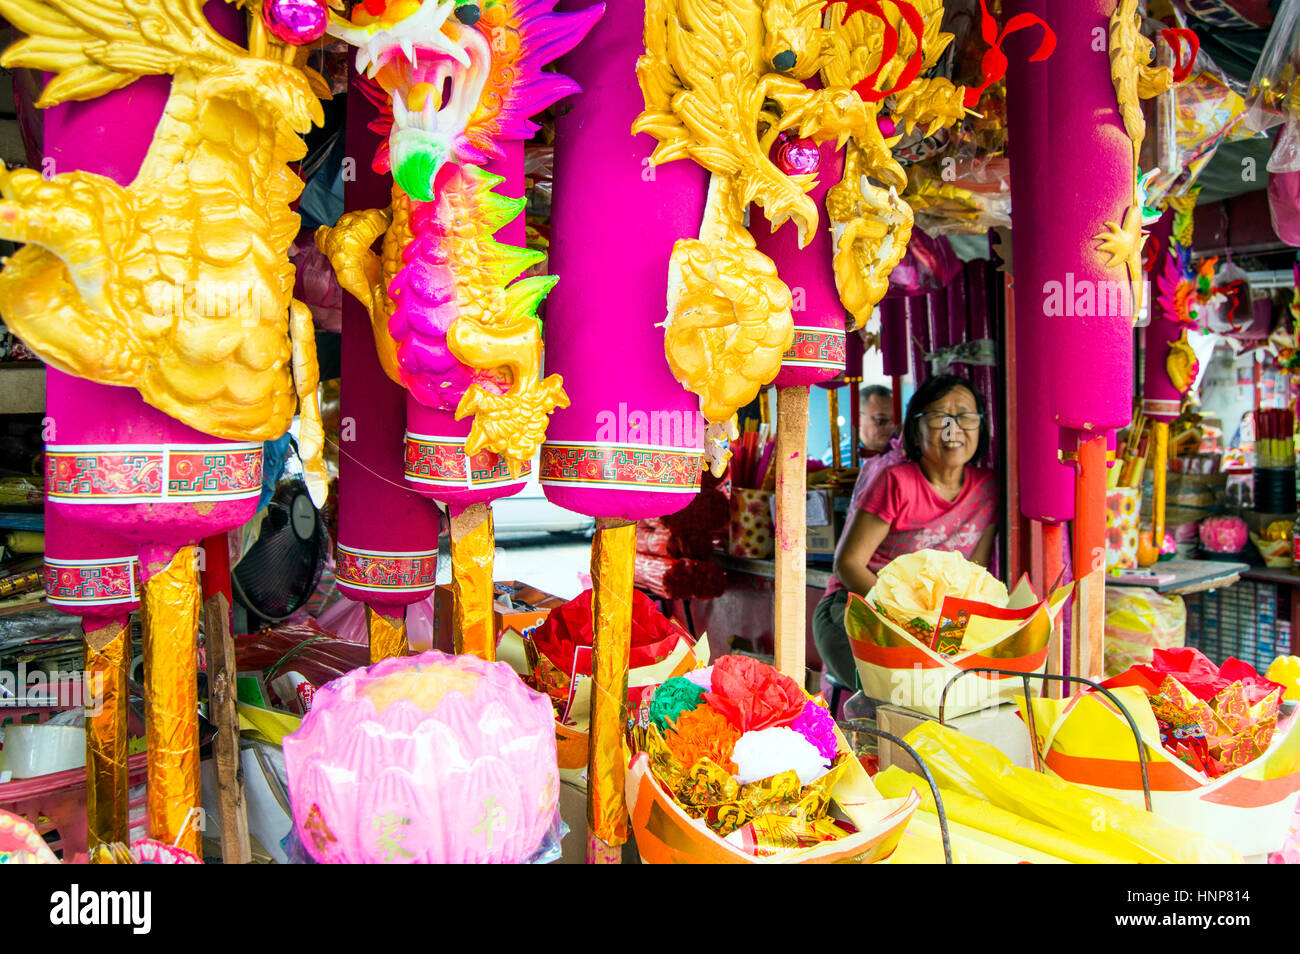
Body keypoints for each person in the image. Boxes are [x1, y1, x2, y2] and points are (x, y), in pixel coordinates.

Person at [812, 373, 999, 689]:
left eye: (965, 417)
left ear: (981, 426)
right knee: (904, 690)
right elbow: (847, 565)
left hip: (932, 624)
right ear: (916, 430)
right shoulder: (895, 482)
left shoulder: (990, 489)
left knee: (965, 689)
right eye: (940, 418)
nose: (953, 429)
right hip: (858, 608)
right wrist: (909, 620)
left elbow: (972, 576)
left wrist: (946, 638)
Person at [858, 383, 896, 457]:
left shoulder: (903, 453)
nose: (891, 426)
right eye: (881, 420)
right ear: (858, 419)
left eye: (893, 420)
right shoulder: (838, 459)